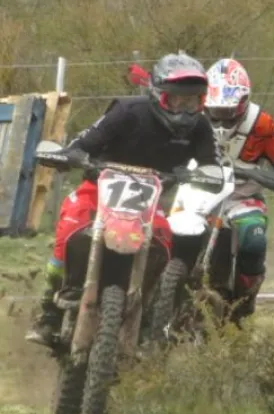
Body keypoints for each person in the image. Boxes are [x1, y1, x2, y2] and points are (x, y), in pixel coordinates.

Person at [26, 54, 220, 347]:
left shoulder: (201, 127)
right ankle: (49, 312)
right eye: (176, 101)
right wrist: (70, 155)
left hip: (148, 201)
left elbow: (211, 164)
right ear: (157, 96)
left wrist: (204, 175)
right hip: (99, 188)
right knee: (70, 226)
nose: (184, 111)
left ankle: (149, 309)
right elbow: (85, 142)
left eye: (192, 102)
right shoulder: (128, 111)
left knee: (164, 239)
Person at [203, 58, 274, 322]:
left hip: (242, 195)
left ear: (243, 102)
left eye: (228, 113)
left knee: (253, 236)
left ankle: (246, 296)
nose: (222, 121)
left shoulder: (261, 124)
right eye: (216, 111)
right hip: (198, 193)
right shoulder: (193, 119)